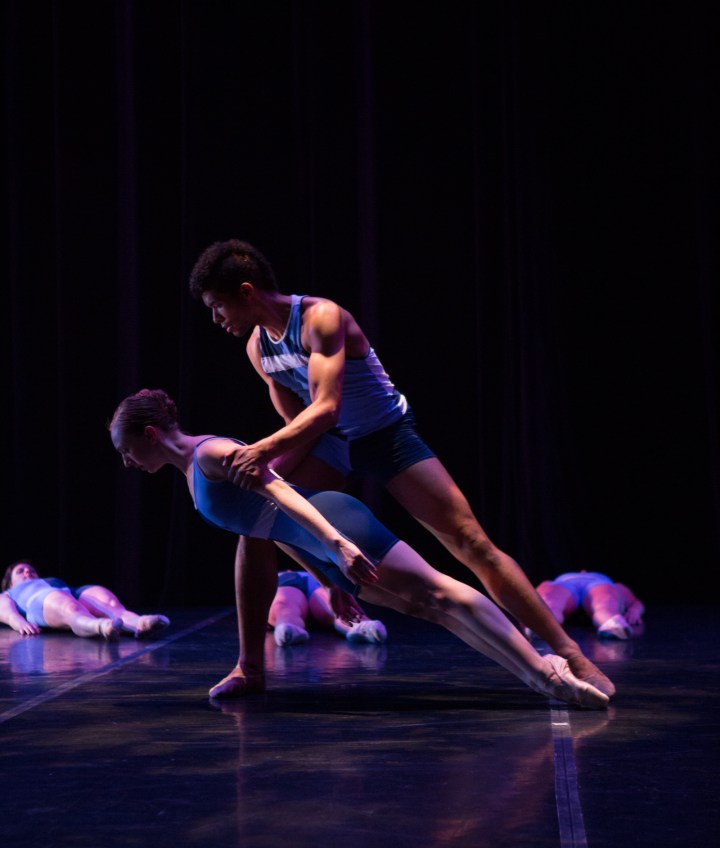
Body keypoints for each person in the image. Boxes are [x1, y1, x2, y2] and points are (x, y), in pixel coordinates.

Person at [188, 239, 615, 699]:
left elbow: (327, 408)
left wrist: (260, 451)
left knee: (470, 542)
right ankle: (251, 668)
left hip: (384, 435)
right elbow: (300, 424)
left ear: (247, 291)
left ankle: (569, 654)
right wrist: (329, 569)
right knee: (255, 520)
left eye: (217, 306)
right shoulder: (258, 347)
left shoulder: (321, 318)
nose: (216, 319)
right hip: (328, 445)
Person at [108, 387, 609, 711]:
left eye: (127, 450)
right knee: (431, 608)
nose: (128, 463)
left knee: (440, 593)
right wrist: (327, 576)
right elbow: (271, 529)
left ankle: (545, 673)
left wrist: (338, 545)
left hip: (336, 524)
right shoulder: (193, 476)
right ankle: (543, 674)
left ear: (150, 434)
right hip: (321, 543)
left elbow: (283, 493)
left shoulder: (211, 454)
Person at [0, 560, 170, 639]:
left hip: (69, 592)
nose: (28, 572)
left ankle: (139, 623)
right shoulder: (9, 593)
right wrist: (19, 623)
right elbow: (5, 611)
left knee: (105, 598)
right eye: (20, 571)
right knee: (67, 606)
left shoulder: (48, 581)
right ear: (9, 582)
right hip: (38, 602)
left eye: (30, 569)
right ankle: (100, 626)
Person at [269, 568, 387, 647]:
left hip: (305, 579)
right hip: (289, 580)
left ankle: (362, 626)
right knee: (284, 605)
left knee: (334, 602)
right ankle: (288, 628)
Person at [530, 571, 645, 640]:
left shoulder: (608, 582)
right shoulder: (555, 581)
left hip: (596, 584)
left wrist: (635, 610)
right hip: (565, 584)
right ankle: (541, 624)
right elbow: (535, 597)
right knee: (549, 600)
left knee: (605, 602)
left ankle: (611, 623)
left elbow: (635, 602)